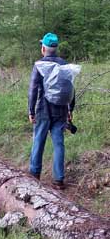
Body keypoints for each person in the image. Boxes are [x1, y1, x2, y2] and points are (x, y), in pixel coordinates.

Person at [28, 32, 75, 189]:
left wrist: (31, 111)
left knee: (39, 141)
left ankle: (34, 175)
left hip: (43, 110)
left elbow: (33, 90)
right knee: (59, 144)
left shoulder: (39, 65)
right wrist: (70, 109)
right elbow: (70, 89)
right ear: (55, 48)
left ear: (43, 48)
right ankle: (59, 180)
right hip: (60, 111)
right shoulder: (64, 64)